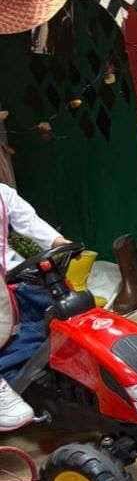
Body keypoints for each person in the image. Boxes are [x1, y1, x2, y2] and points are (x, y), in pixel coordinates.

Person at [0, 182, 72, 430]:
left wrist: (57, 241)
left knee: (58, 306)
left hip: (13, 273)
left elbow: (29, 221)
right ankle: (5, 384)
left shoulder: (3, 194)